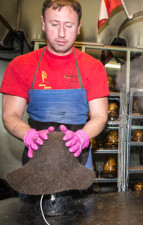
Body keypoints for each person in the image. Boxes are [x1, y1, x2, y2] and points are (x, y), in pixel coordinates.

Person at [0, 0, 109, 171]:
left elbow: (100, 116)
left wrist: (83, 136)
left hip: (78, 161)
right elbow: (10, 114)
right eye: (54, 24)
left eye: (69, 26)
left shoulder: (93, 67)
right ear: (43, 24)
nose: (61, 33)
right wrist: (28, 134)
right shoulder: (20, 65)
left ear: (79, 27)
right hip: (37, 161)